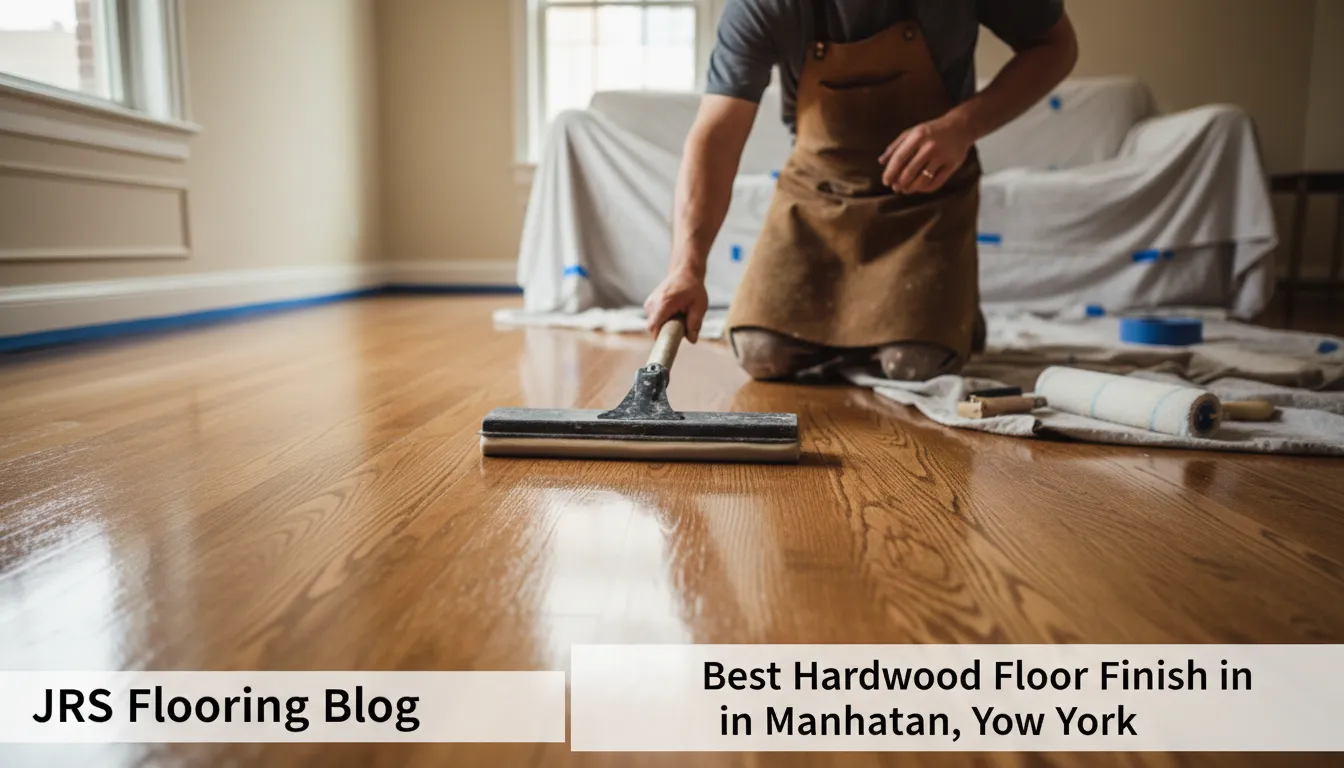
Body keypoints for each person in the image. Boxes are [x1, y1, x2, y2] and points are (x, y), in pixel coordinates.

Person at [643, 0, 1078, 382]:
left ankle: (947, 315)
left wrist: (963, 126)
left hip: (927, 197)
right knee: (762, 354)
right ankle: (908, 320)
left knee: (914, 363)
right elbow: (716, 138)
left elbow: (1056, 47)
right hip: (816, 196)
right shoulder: (764, 4)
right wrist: (687, 267)